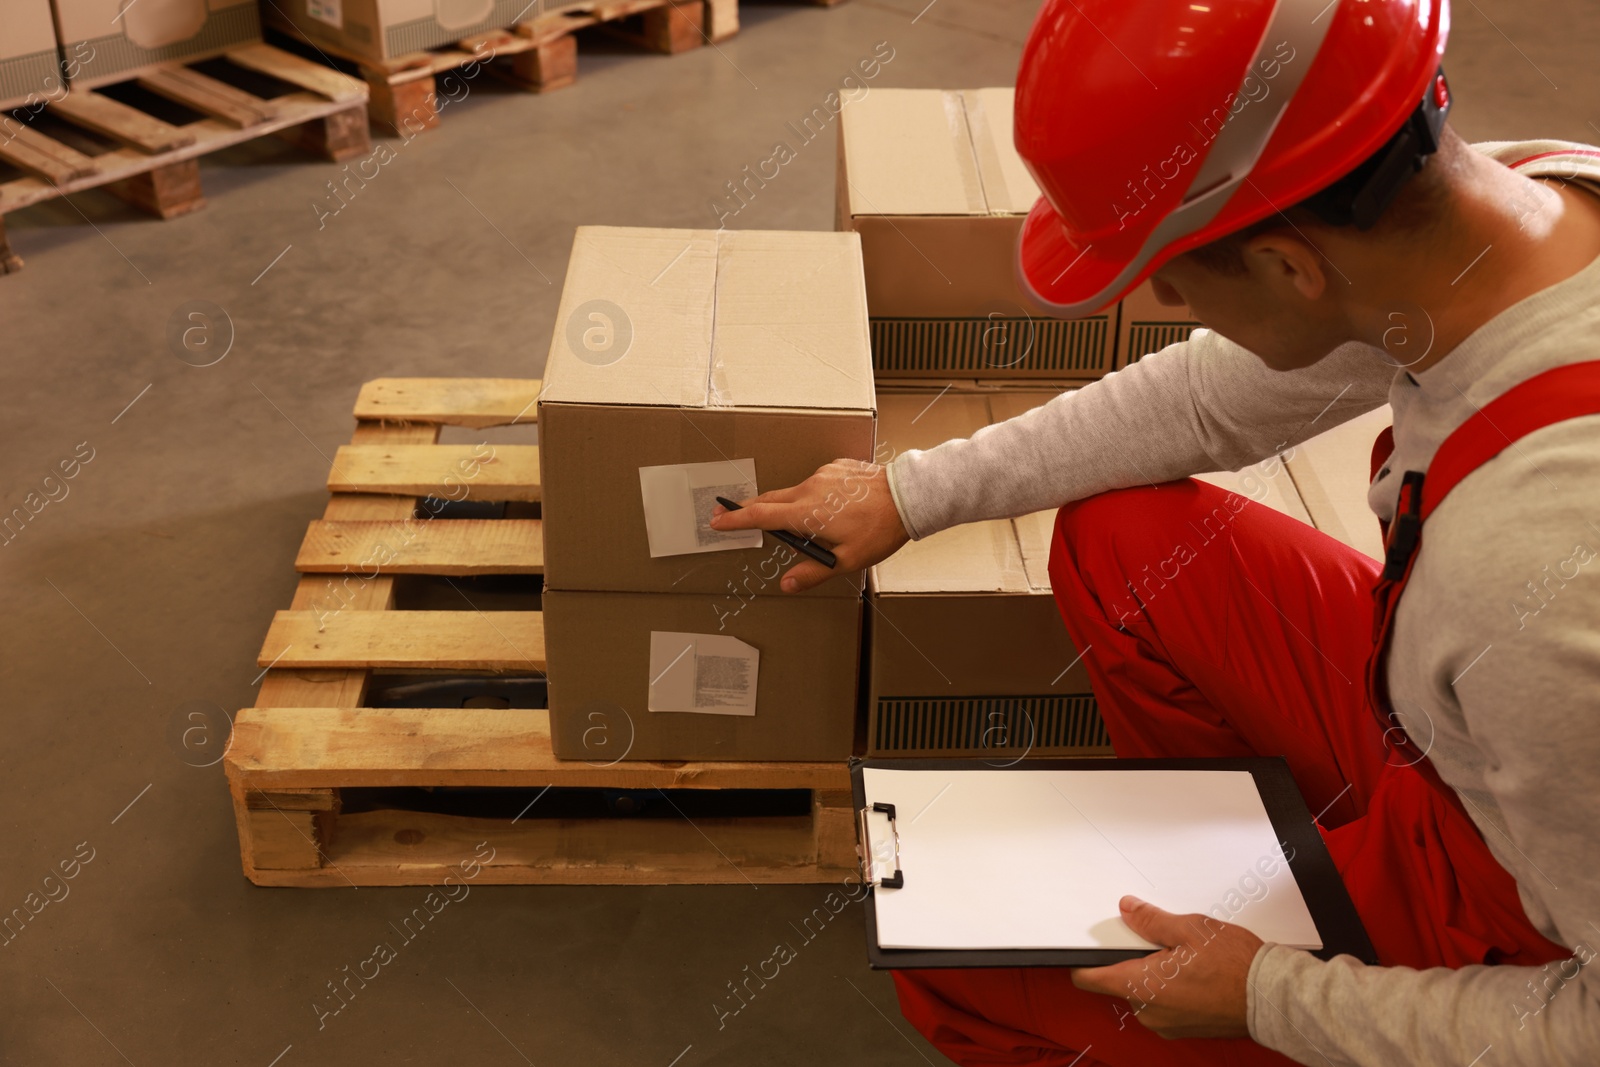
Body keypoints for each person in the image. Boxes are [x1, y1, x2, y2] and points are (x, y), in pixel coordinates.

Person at [708, 0, 1600, 1064]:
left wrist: (1272, 994)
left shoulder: (1537, 563)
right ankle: (1256, 874)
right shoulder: (1528, 203)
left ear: (1287, 267)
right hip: (1467, 755)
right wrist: (908, 492)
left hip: (1523, 928)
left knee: (962, 966)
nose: (1161, 297)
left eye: (1170, 272)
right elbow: (1205, 404)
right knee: (1125, 536)